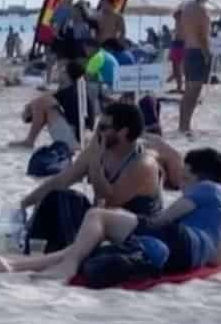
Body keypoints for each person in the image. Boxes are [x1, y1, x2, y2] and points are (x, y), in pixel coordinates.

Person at [0, 147, 221, 281]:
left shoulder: (207, 190)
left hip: (181, 242)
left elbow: (164, 219)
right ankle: (13, 265)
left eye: (187, 178)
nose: (183, 184)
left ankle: (66, 266)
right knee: (83, 245)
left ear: (202, 177)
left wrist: (125, 220)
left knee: (98, 216)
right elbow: (218, 258)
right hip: (186, 257)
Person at [19, 101, 164, 247]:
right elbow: (62, 180)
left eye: (103, 127)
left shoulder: (143, 163)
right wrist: (24, 204)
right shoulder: (101, 150)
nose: (97, 133)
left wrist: (95, 162)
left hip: (135, 232)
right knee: (56, 198)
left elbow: (108, 200)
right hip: (103, 224)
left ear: (123, 132)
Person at [12, 60, 86, 149]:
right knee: (45, 104)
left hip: (73, 141)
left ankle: (29, 141)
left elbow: (39, 102)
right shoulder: (76, 89)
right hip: (82, 138)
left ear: (67, 75)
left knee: (42, 102)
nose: (59, 73)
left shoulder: (68, 91)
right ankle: (29, 141)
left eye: (62, 71)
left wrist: (28, 109)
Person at [177, 0, 214, 134]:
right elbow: (202, 35)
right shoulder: (201, 9)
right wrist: (207, 53)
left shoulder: (186, 7)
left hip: (188, 49)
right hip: (198, 51)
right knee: (193, 91)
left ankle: (183, 124)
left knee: (188, 91)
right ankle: (185, 126)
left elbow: (182, 31)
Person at [167, 9, 186, 92]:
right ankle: (177, 83)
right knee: (175, 66)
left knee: (178, 67)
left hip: (181, 44)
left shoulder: (184, 23)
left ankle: (179, 86)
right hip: (176, 44)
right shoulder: (178, 22)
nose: (174, 17)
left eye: (176, 16)